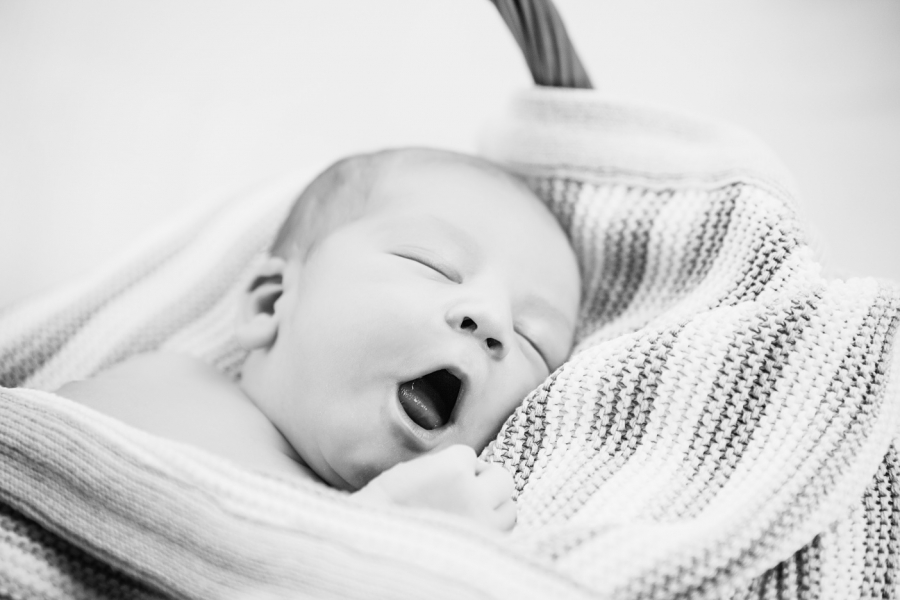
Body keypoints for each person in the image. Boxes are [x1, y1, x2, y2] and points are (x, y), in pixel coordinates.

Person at [57, 148, 582, 531]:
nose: (491, 320)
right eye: (434, 265)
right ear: (271, 303)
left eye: (532, 340)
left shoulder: (367, 526)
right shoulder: (167, 385)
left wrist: (405, 546)